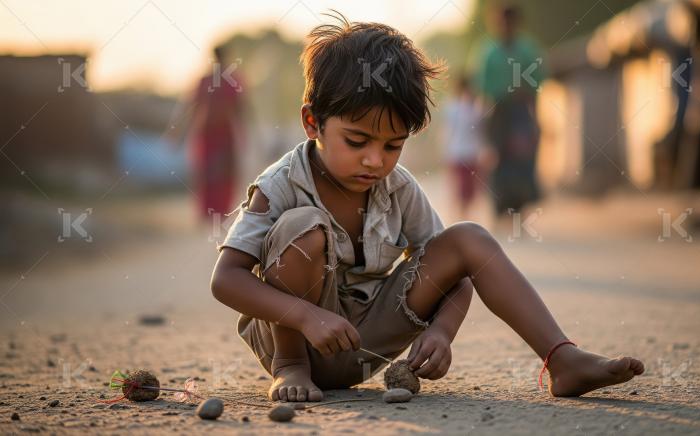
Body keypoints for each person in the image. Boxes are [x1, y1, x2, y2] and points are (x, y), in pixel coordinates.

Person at [210, 12, 644, 403]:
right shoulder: (280, 183)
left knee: (469, 238)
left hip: (364, 342)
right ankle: (291, 368)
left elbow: (455, 274)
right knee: (300, 226)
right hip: (296, 343)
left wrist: (442, 330)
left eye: (393, 145)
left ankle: (562, 359)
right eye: (357, 141)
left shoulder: (398, 188)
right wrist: (306, 317)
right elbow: (225, 280)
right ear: (312, 123)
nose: (375, 160)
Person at [474, 5, 544, 217]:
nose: (505, 27)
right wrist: (483, 122)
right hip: (497, 111)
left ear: (517, 23)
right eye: (501, 23)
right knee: (498, 158)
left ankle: (520, 207)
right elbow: (482, 90)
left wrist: (535, 119)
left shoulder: (528, 50)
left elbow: (535, 88)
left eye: (509, 22)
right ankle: (499, 207)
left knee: (522, 158)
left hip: (521, 110)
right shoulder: (487, 51)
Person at [182, 44, 245, 223]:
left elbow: (240, 108)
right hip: (211, 133)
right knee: (209, 172)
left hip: (220, 133)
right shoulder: (216, 80)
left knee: (221, 172)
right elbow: (193, 106)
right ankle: (212, 212)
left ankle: (218, 211)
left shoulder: (226, 80)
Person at [441, 74, 483, 221]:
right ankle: (458, 217)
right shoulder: (454, 108)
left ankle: (464, 216)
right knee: (459, 188)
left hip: (470, 153)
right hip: (458, 152)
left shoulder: (475, 108)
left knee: (468, 189)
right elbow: (448, 130)